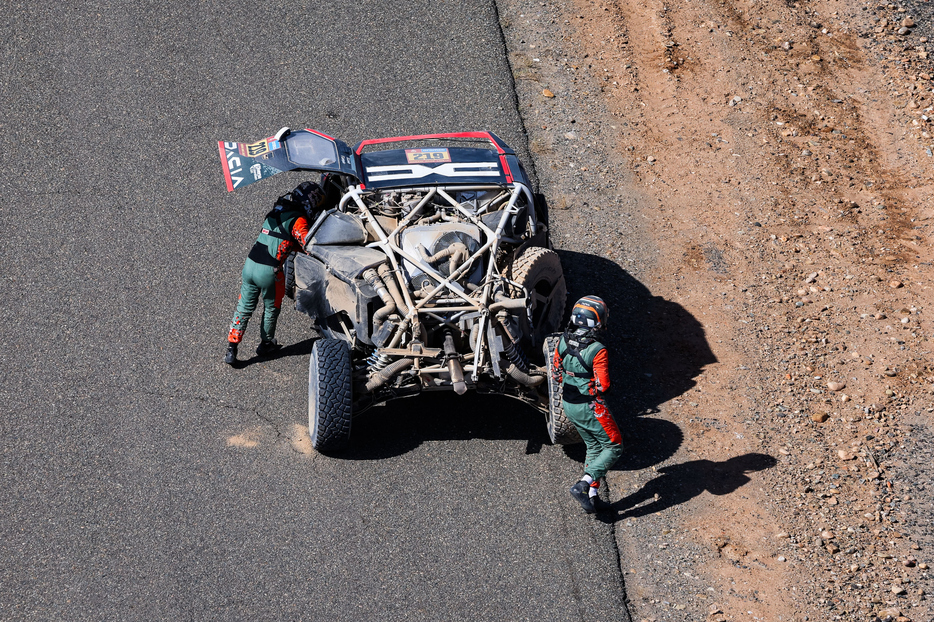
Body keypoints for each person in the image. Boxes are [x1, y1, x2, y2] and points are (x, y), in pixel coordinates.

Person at [224, 181, 325, 365]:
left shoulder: (276, 211)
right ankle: (266, 343)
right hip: (270, 271)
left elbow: (278, 238)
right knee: (271, 308)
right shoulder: (298, 220)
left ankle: (232, 348)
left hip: (250, 265)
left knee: (244, 307)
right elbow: (309, 245)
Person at [551, 295, 624, 513]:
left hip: (568, 405)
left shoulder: (562, 341)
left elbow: (556, 373)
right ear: (598, 321)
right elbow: (604, 385)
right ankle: (583, 484)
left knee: (593, 446)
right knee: (614, 446)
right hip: (590, 407)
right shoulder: (598, 349)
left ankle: (592, 496)